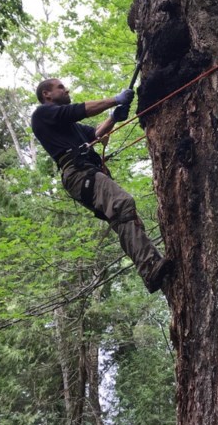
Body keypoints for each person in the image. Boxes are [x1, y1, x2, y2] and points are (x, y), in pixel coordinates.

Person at [31, 78, 175, 293]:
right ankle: (149, 266)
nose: (66, 89)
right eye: (60, 87)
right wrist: (114, 100)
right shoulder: (42, 114)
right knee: (122, 203)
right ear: (47, 94)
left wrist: (114, 117)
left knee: (125, 216)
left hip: (85, 174)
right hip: (79, 173)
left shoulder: (70, 127)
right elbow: (78, 110)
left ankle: (153, 269)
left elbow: (97, 133)